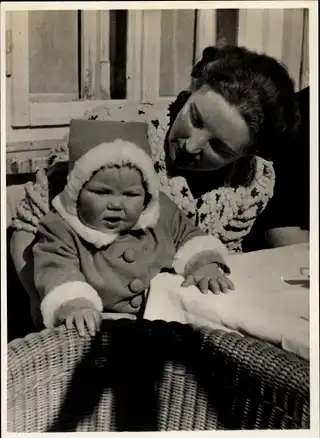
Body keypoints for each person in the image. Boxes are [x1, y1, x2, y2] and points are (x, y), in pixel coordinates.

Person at [9, 44, 302, 331]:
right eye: (195, 118)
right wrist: (46, 305)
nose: (191, 145)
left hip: (168, 326)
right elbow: (29, 226)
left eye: (219, 148)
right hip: (80, 317)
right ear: (193, 88)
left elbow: (219, 259)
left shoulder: (251, 183)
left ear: (247, 154)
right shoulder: (113, 129)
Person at [33, 136, 234, 337]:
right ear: (77, 193)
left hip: (162, 319)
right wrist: (75, 303)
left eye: (130, 195)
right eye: (102, 192)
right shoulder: (61, 228)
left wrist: (203, 263)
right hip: (101, 324)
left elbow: (187, 235)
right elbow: (56, 268)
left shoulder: (160, 213)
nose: (116, 204)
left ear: (145, 196)